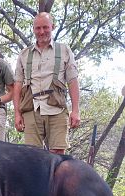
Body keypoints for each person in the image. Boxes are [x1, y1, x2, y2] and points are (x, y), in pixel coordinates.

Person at [14, 12, 80, 154]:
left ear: (52, 27)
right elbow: (17, 86)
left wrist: (75, 111)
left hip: (57, 109)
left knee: (57, 156)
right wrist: (17, 114)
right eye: (38, 28)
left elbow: (73, 81)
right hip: (31, 109)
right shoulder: (24, 54)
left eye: (45, 27)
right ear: (33, 29)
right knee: (32, 157)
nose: (41, 31)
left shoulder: (64, 50)